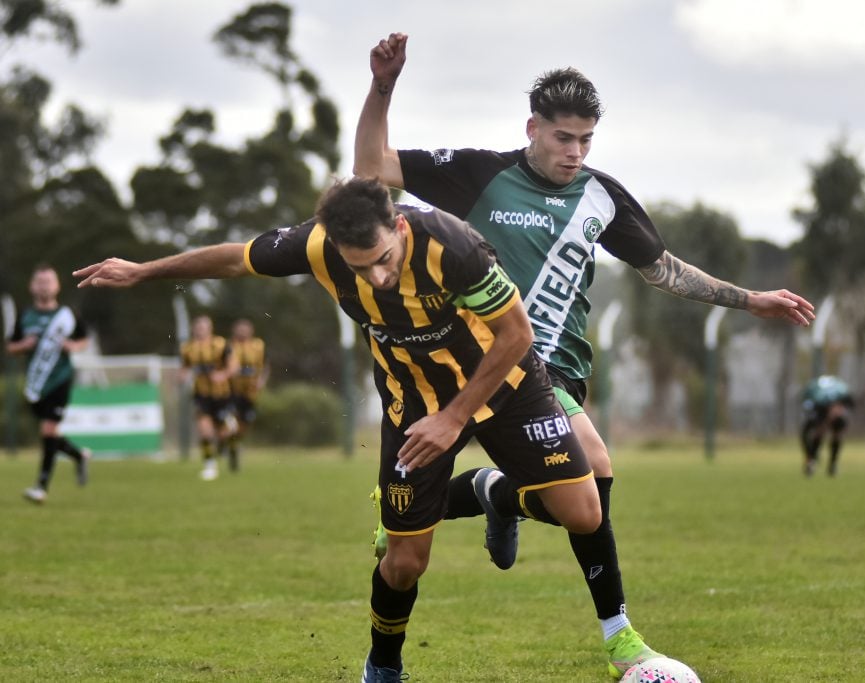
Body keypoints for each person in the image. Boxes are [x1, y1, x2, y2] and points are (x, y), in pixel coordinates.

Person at [354, 32, 815, 677]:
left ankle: (515, 518)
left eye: (586, 140)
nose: (575, 153)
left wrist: (749, 300)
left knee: (591, 488)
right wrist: (383, 87)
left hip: (550, 372)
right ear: (533, 129)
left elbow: (663, 271)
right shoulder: (481, 174)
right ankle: (610, 632)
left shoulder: (602, 196)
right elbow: (373, 169)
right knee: (409, 555)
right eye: (564, 138)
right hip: (464, 367)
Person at [74, 176, 603, 682]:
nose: (376, 277)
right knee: (404, 564)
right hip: (411, 402)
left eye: (382, 261)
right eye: (359, 268)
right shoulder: (317, 245)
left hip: (505, 382)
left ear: (397, 228)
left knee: (582, 514)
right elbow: (237, 258)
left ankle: (493, 494)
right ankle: (384, 667)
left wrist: (455, 417)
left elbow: (517, 333)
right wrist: (144, 271)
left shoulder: (453, 245)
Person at [7, 264, 91, 504]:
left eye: (49, 281)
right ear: (33, 286)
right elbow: (10, 347)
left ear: (57, 286)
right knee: (50, 434)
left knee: (48, 431)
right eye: (40, 282)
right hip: (37, 383)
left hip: (60, 380)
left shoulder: (67, 315)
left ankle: (41, 487)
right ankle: (79, 455)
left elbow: (84, 339)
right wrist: (23, 346)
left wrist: (73, 347)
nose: (44, 286)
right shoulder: (25, 316)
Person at [180, 314, 237, 481]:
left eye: (203, 327)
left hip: (222, 395)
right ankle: (209, 466)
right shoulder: (187, 348)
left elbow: (234, 366)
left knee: (222, 433)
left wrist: (222, 374)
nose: (200, 330)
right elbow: (184, 368)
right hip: (201, 395)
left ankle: (226, 436)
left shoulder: (220, 344)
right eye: (197, 327)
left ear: (210, 329)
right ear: (193, 329)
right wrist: (182, 377)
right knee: (204, 431)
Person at [226, 318, 267, 472]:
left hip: (250, 393)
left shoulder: (258, 346)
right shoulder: (228, 346)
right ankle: (230, 446)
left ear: (251, 331)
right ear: (234, 330)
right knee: (231, 421)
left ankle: (234, 444)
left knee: (244, 423)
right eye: (240, 329)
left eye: (245, 329)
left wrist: (261, 381)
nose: (242, 332)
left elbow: (265, 366)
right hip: (231, 391)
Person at [800, 375, 854, 477]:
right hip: (819, 409)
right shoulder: (819, 400)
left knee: (836, 435)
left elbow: (850, 404)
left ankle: (832, 464)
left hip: (826, 409)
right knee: (819, 433)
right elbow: (804, 435)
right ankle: (812, 461)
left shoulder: (841, 393)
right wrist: (809, 456)